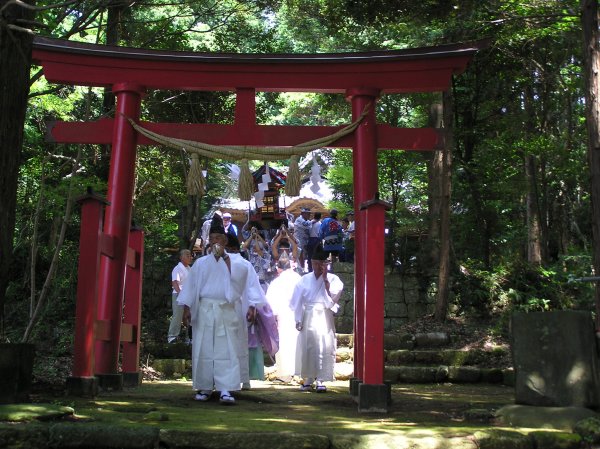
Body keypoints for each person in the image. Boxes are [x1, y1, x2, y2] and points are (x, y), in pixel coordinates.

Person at [179, 213, 263, 405]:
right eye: (212, 238)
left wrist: (252, 306)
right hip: (205, 309)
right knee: (204, 347)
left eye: (218, 238)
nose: (215, 241)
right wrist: (186, 308)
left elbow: (250, 286)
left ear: (225, 240)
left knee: (228, 349)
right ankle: (205, 386)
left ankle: (227, 388)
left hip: (228, 309)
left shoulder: (240, 263)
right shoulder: (200, 264)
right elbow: (190, 287)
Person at [290, 243, 343, 393]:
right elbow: (297, 301)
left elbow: (333, 299)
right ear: (310, 263)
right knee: (308, 346)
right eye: (314, 263)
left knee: (323, 345)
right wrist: (298, 319)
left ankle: (321, 379)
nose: (317, 266)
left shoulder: (333, 279)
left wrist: (325, 280)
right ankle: (308, 378)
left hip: (324, 316)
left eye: (321, 263)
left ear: (326, 264)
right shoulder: (304, 280)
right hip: (308, 315)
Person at [265, 252, 301, 382]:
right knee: (297, 342)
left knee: (285, 343)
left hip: (283, 316)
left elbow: (270, 305)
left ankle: (285, 374)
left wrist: (272, 318)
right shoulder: (299, 279)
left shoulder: (276, 282)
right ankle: (299, 372)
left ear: (279, 268)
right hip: (298, 315)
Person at [167, 249, 192, 344]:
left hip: (188, 294)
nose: (190, 257)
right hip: (179, 294)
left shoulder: (190, 268)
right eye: (187, 255)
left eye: (190, 255)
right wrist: (180, 293)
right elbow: (175, 282)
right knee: (177, 315)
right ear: (181, 257)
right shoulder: (177, 268)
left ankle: (188, 337)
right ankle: (172, 336)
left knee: (188, 316)